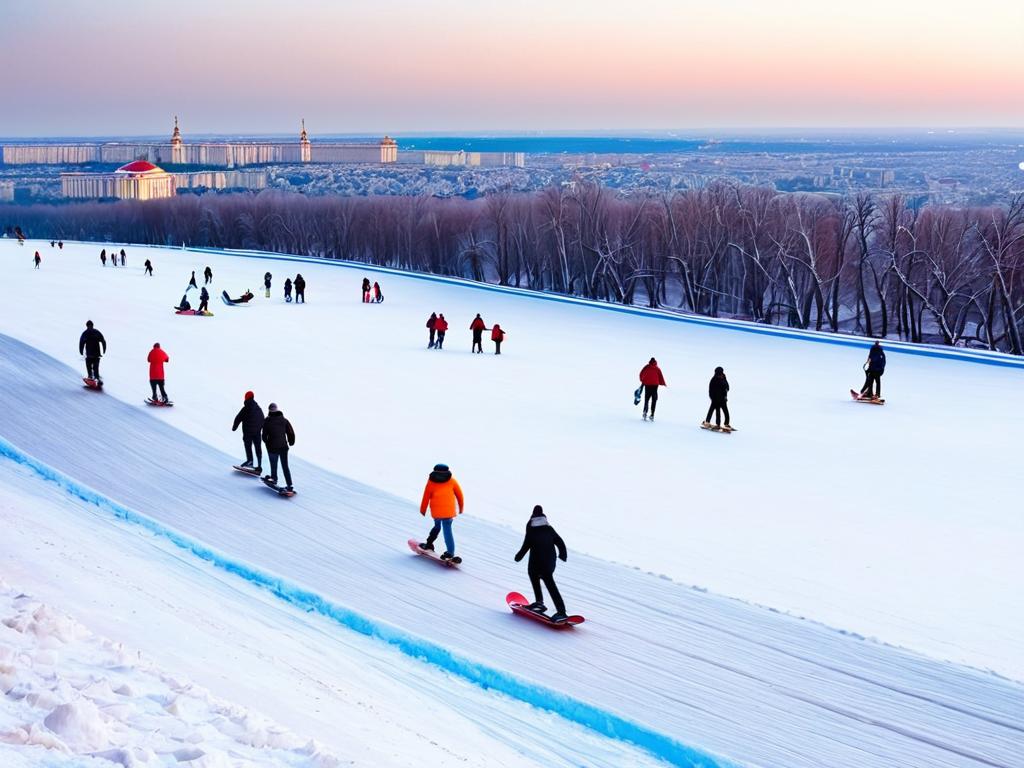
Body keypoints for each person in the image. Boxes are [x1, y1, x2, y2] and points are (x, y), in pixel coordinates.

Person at [514, 505, 569, 621]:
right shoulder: (549, 528)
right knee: (549, 582)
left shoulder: (531, 528)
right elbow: (560, 542)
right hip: (550, 561)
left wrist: (518, 557)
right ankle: (558, 610)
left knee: (534, 575)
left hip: (536, 561)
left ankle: (555, 609)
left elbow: (526, 545)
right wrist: (562, 555)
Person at [418, 463, 464, 562]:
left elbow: (426, 496)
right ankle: (450, 553)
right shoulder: (452, 481)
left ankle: (429, 544)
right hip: (449, 511)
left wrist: (423, 509)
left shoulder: (431, 482)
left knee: (437, 526)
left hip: (437, 511)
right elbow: (459, 495)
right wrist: (461, 507)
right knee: (447, 531)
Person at [261, 403, 295, 491]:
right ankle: (290, 485)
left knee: (273, 465)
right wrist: (291, 442)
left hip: (272, 448)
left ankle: (274, 478)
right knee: (285, 466)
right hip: (283, 447)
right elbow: (291, 432)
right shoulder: (284, 420)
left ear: (269, 410)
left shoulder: (267, 421)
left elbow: (264, 436)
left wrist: (268, 444)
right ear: (277, 409)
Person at [232, 391, 265, 472]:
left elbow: (238, 418)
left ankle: (250, 461)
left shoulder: (246, 408)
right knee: (258, 448)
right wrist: (260, 429)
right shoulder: (259, 409)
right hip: (257, 433)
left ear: (246, 398)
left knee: (248, 445)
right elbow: (263, 420)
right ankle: (259, 466)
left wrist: (234, 427)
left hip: (248, 432)